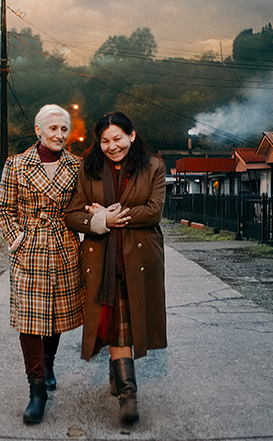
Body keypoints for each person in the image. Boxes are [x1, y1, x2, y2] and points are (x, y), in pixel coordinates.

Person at [64, 111, 167, 425]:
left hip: (138, 259)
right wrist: (97, 220)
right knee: (115, 326)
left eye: (118, 139)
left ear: (131, 136)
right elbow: (72, 214)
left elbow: (153, 211)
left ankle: (121, 380)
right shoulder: (89, 169)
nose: (112, 146)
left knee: (127, 325)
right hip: (101, 260)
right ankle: (128, 395)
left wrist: (113, 216)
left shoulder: (153, 167)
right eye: (105, 140)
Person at [0, 104, 84, 425]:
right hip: (29, 249)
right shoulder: (16, 165)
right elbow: (4, 208)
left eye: (64, 129)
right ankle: (37, 390)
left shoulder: (77, 166)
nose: (59, 134)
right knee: (30, 319)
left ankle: (48, 364)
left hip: (63, 246)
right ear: (38, 131)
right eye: (53, 129)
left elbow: (84, 206)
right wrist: (16, 238)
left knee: (56, 315)